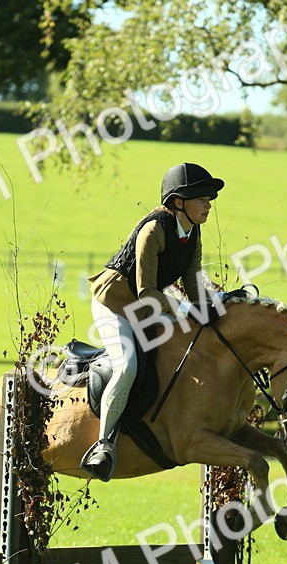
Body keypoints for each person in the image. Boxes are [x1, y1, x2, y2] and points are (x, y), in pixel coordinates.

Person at [82, 162, 222, 480]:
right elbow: (146, 292)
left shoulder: (193, 233)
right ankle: (104, 445)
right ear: (177, 202)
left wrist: (215, 308)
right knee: (127, 365)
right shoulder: (153, 230)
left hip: (147, 306)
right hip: (114, 302)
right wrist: (187, 311)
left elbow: (194, 284)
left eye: (209, 198)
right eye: (201, 197)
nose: (208, 203)